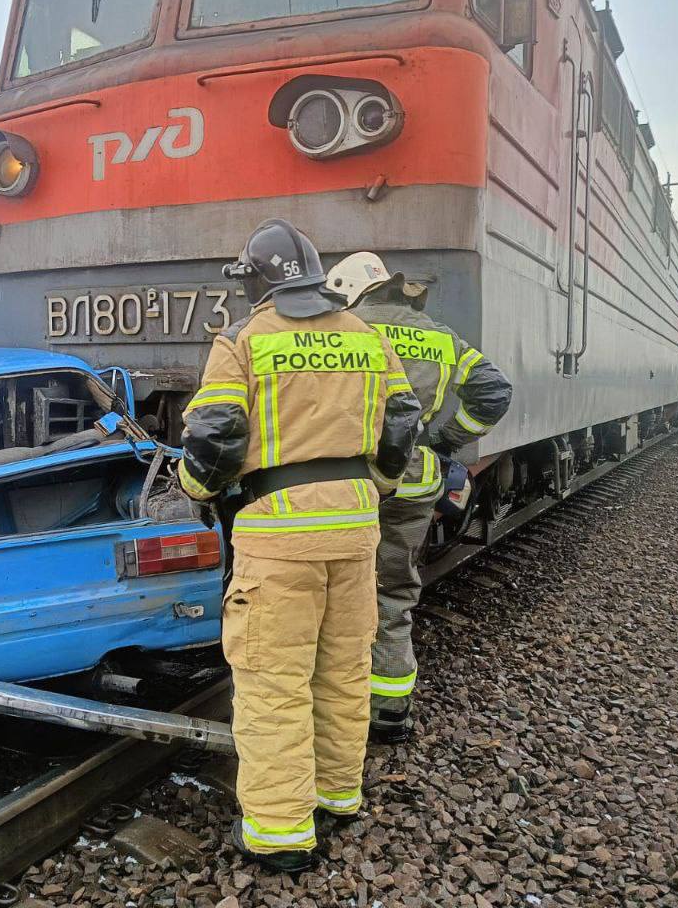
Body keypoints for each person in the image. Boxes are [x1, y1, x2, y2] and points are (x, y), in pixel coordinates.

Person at [178, 220, 422, 872]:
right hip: (356, 528)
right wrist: (377, 485)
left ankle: (282, 834)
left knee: (273, 686)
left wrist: (195, 485)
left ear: (258, 280)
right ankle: (339, 796)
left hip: (277, 538)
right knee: (343, 671)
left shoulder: (242, 342)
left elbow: (215, 434)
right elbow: (403, 422)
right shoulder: (368, 339)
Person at [325, 252, 513, 743]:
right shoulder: (438, 334)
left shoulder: (343, 329)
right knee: (392, 592)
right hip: (414, 482)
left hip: (352, 484)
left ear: (349, 291)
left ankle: (333, 712)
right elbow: (493, 392)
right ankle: (389, 711)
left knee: (333, 594)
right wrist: (447, 440)